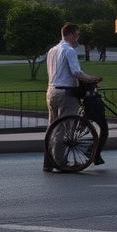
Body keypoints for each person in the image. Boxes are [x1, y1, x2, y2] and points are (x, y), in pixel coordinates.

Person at [44, 22, 102, 172]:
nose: (77, 38)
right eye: (76, 35)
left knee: (52, 127)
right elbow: (76, 72)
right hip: (66, 92)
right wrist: (91, 79)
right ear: (69, 35)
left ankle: (48, 161)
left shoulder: (52, 50)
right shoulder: (69, 50)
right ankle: (60, 162)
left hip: (51, 90)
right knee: (64, 128)